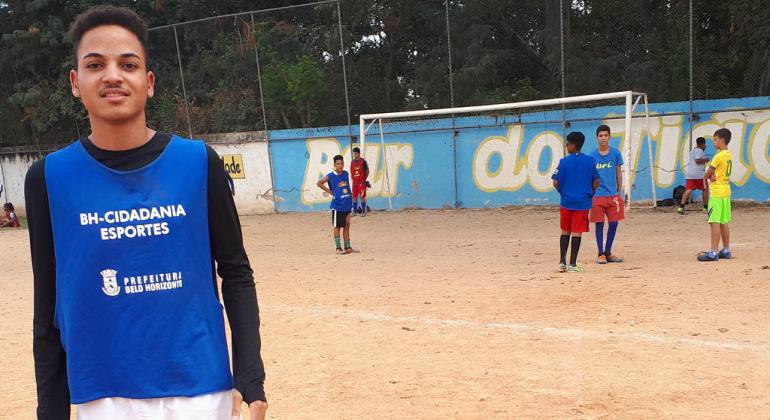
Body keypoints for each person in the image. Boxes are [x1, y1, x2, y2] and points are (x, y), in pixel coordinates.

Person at [23, 6, 267, 420]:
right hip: (102, 396)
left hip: (200, 390)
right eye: (95, 64)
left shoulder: (198, 162)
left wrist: (251, 377)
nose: (113, 75)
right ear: (75, 83)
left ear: (149, 82)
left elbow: (236, 272)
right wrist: (50, 409)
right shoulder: (48, 177)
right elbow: (47, 306)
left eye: (128, 64)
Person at [552, 132, 600, 273]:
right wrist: (590, 193)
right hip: (582, 202)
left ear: (573, 145)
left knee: (565, 230)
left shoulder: (563, 161)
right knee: (577, 232)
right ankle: (573, 264)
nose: (566, 146)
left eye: (567, 143)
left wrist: (562, 192)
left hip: (567, 201)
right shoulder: (590, 161)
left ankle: (562, 262)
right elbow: (596, 181)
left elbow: (555, 181)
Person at [589, 124, 624, 264]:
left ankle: (608, 252)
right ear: (597, 138)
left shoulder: (615, 153)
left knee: (614, 223)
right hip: (597, 196)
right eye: (601, 136)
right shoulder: (592, 156)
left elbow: (619, 173)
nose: (603, 138)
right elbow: (589, 176)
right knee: (599, 224)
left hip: (612, 196)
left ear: (609, 137)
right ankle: (600, 253)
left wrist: (619, 192)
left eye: (605, 135)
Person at [697, 128, 733, 262]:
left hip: (717, 193)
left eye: (715, 140)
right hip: (726, 191)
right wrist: (713, 175)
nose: (714, 142)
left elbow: (706, 174)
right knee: (724, 221)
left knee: (714, 222)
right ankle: (726, 249)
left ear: (722, 140)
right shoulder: (728, 154)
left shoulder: (718, 156)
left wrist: (710, 176)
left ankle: (713, 251)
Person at [317, 154, 357, 254]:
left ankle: (347, 247)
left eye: (341, 163)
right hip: (338, 205)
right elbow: (319, 183)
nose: (340, 165)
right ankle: (338, 248)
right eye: (338, 164)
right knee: (337, 226)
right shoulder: (330, 176)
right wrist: (330, 191)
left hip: (347, 204)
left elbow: (346, 187)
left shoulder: (346, 174)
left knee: (347, 225)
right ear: (334, 165)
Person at [677, 137, 709, 214]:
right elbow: (697, 160)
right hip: (699, 174)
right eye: (704, 145)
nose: (705, 146)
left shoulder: (692, 150)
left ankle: (681, 207)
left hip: (690, 174)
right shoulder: (700, 150)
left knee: (688, 189)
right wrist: (706, 159)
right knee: (705, 189)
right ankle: (705, 207)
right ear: (702, 144)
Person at [350, 146, 370, 216]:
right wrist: (353, 178)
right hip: (354, 183)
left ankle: (363, 211)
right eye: (354, 153)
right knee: (354, 196)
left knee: (362, 197)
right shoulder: (352, 162)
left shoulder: (363, 161)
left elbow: (367, 171)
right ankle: (354, 211)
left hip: (361, 182)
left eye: (356, 153)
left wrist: (363, 179)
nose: (354, 155)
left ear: (359, 153)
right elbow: (351, 171)